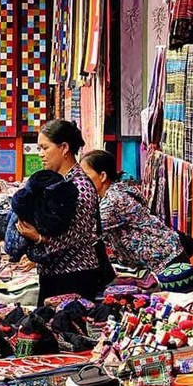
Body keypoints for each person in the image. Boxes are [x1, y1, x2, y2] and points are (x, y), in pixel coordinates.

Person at [14, 119, 114, 304]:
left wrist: (39, 238)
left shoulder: (79, 187)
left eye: (45, 148)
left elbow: (75, 234)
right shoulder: (57, 182)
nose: (41, 155)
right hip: (56, 272)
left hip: (74, 276)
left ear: (64, 148)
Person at [80, 150, 193, 272]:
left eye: (86, 176)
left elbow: (88, 232)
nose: (82, 181)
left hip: (167, 261)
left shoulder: (114, 200)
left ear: (102, 176)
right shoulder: (111, 193)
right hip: (161, 258)